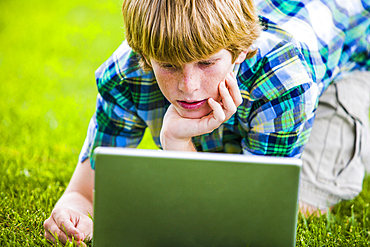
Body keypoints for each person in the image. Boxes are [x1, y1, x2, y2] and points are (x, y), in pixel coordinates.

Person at [44, 0, 370, 244]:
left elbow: (254, 215)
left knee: (300, 207)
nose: (189, 87)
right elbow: (83, 191)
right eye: (169, 66)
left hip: (349, 57)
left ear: (240, 52)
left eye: (207, 62)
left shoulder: (284, 79)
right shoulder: (126, 72)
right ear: (144, 56)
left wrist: (180, 157)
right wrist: (73, 213)